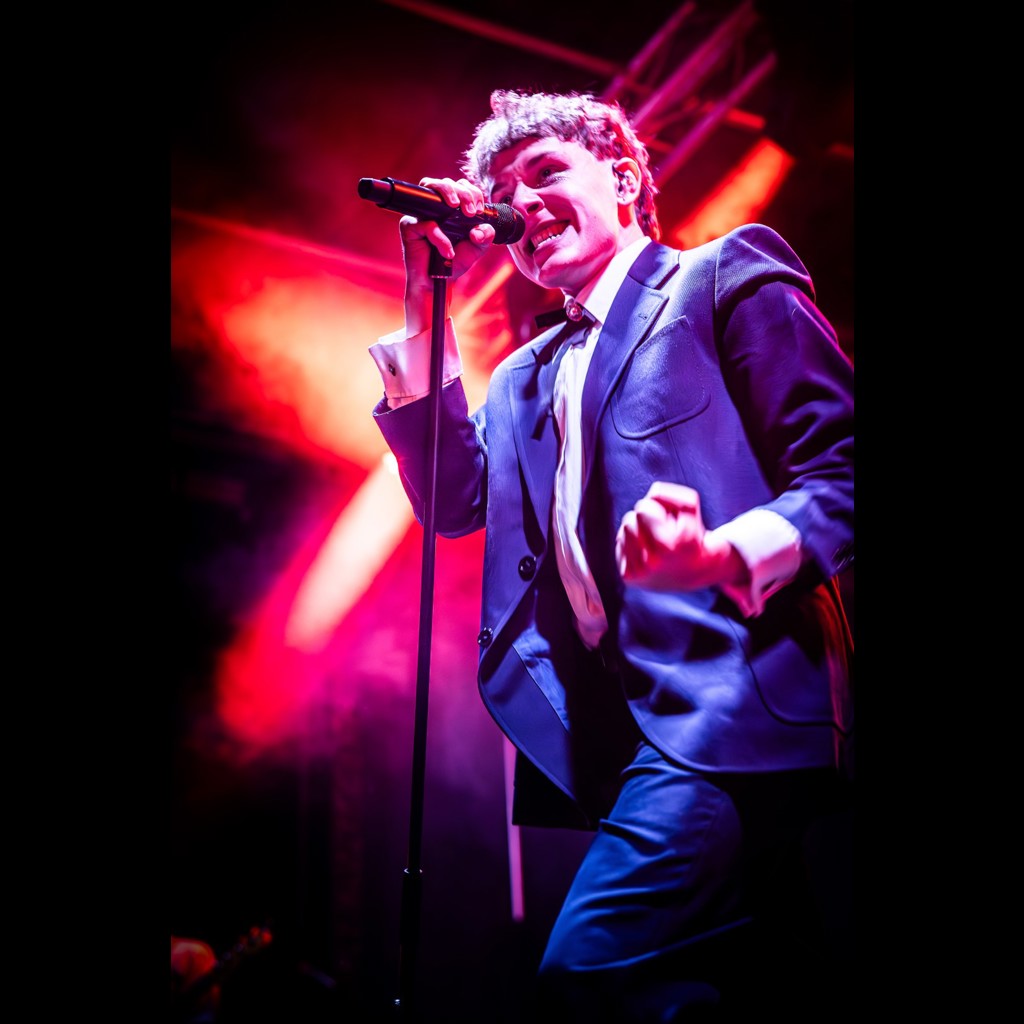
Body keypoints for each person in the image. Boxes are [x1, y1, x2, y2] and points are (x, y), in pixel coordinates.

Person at [367, 89, 854, 1022]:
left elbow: (840, 465)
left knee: (586, 977)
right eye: (504, 194)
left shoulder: (719, 276)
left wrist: (723, 555)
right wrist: (424, 301)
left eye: (546, 172)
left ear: (625, 179)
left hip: (728, 702)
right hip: (619, 736)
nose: (522, 202)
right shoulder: (524, 375)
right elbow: (451, 500)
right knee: (764, 991)